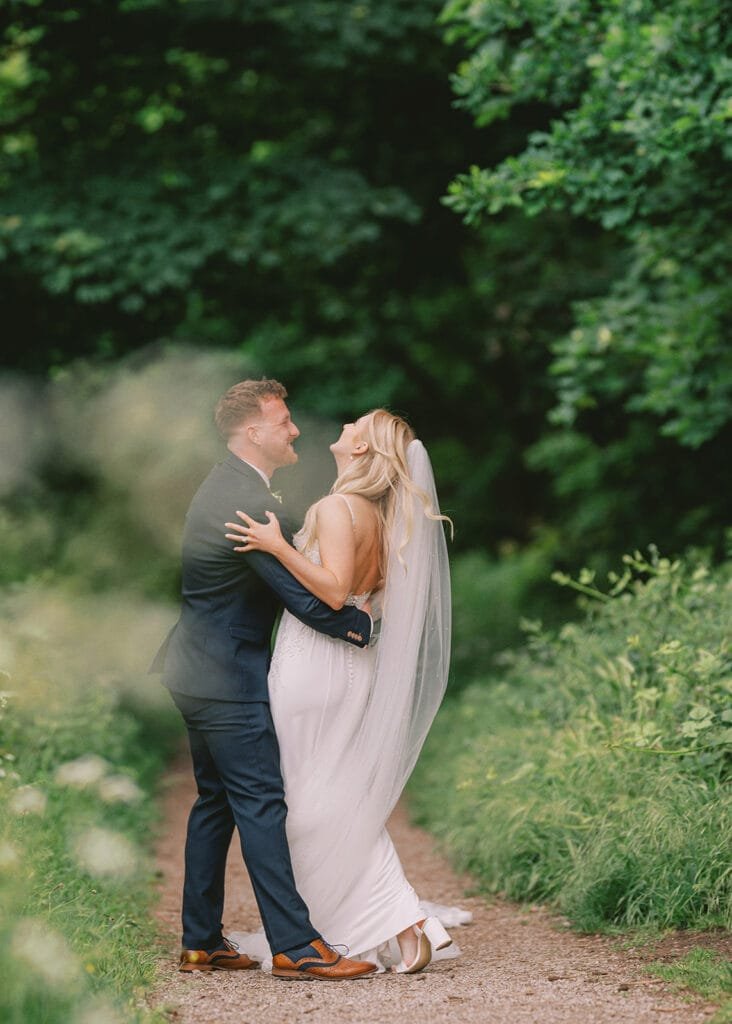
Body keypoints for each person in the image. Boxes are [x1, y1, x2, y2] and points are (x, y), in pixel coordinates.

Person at [151, 379, 378, 981]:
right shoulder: (242, 500)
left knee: (216, 802)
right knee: (261, 803)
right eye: (284, 422)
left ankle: (201, 942)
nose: (295, 429)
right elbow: (301, 598)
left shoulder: (235, 487)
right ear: (254, 431)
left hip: (194, 666)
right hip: (224, 675)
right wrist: (367, 627)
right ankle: (296, 947)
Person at [224, 408, 456, 973]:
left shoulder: (335, 508)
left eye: (356, 425)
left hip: (315, 665)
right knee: (335, 790)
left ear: (361, 450)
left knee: (305, 797)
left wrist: (277, 547)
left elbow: (332, 592)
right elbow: (363, 596)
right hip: (351, 667)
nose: (345, 426)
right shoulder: (379, 516)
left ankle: (398, 919)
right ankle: (398, 925)